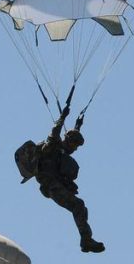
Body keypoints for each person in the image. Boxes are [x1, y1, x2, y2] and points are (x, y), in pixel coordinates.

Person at [25, 103, 105, 253]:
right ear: (68, 142)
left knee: (80, 207)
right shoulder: (52, 146)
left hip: (56, 186)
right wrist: (62, 117)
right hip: (52, 186)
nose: (75, 149)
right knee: (79, 206)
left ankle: (86, 240)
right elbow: (55, 133)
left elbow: (70, 135)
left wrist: (78, 124)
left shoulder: (62, 151)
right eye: (74, 145)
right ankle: (86, 240)